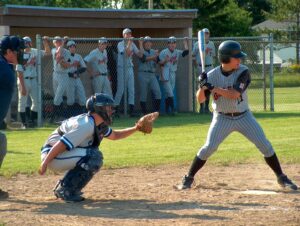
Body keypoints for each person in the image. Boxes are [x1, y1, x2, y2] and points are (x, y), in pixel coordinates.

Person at [177, 40, 298, 191]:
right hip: (222, 118)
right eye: (236, 57)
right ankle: (188, 178)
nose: (240, 60)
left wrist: (213, 87)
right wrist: (202, 87)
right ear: (226, 58)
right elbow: (201, 99)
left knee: (265, 145)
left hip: (244, 117)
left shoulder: (243, 71)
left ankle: (281, 177)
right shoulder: (212, 75)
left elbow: (234, 94)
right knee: (209, 148)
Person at [39, 93, 147, 202]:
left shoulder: (97, 123)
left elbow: (115, 135)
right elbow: (61, 144)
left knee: (93, 155)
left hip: (60, 154)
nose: (111, 110)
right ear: (99, 109)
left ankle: (65, 188)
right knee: (93, 157)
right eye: (108, 107)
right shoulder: (86, 125)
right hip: (53, 155)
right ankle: (66, 190)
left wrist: (136, 128)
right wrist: (45, 163)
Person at [0, 35, 25, 198]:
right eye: (18, 50)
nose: (21, 53)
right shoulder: (2, 66)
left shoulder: (6, 66)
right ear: (8, 51)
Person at [16, 36, 51, 128]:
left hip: (33, 79)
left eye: (28, 42)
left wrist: (45, 42)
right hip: (23, 79)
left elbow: (48, 53)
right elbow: (19, 70)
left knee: (36, 101)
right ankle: (24, 124)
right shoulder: (20, 54)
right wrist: (28, 63)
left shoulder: (35, 51)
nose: (27, 44)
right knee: (22, 102)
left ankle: (31, 121)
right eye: (25, 43)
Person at [114, 28, 144, 117]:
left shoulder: (132, 44)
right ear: (123, 35)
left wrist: (141, 44)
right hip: (122, 68)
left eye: (130, 34)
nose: (129, 35)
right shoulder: (120, 44)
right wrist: (130, 43)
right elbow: (126, 54)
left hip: (130, 67)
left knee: (131, 89)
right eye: (127, 34)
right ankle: (115, 110)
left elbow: (140, 55)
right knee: (121, 89)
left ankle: (131, 110)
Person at [159, 36, 189, 115]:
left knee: (169, 93)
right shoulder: (164, 52)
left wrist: (185, 42)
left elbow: (186, 53)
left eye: (174, 43)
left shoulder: (177, 51)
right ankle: (173, 110)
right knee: (170, 93)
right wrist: (165, 61)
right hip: (165, 72)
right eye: (170, 43)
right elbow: (159, 63)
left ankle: (166, 111)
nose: (172, 44)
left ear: (175, 44)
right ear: (168, 44)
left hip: (173, 72)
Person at [192, 28, 216, 114]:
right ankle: (201, 108)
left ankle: (206, 107)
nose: (206, 35)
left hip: (209, 67)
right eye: (204, 33)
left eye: (207, 33)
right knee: (201, 87)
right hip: (200, 68)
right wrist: (196, 65)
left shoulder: (212, 44)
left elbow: (213, 56)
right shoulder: (197, 44)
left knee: (208, 87)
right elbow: (193, 55)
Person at [138, 36, 161, 115]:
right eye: (146, 42)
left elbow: (158, 61)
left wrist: (156, 56)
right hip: (143, 73)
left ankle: (156, 112)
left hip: (152, 74)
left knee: (157, 91)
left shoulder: (153, 51)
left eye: (149, 42)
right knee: (143, 93)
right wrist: (154, 57)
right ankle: (144, 113)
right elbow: (143, 59)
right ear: (144, 44)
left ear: (151, 43)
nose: (148, 43)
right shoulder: (141, 51)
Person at [51, 36, 72, 121]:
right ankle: (59, 116)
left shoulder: (67, 52)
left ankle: (53, 116)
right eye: (56, 41)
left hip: (64, 75)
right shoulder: (53, 50)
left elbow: (67, 66)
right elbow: (58, 52)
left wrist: (62, 62)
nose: (58, 43)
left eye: (60, 41)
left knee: (58, 96)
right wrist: (64, 42)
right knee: (57, 96)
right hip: (55, 74)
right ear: (54, 43)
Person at [66, 40, 87, 116]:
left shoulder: (78, 56)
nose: (72, 48)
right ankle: (69, 116)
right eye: (70, 47)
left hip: (77, 78)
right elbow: (63, 69)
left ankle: (84, 114)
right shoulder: (65, 56)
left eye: (74, 46)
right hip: (68, 78)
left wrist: (77, 72)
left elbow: (84, 67)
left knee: (82, 95)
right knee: (70, 98)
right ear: (68, 48)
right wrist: (72, 74)